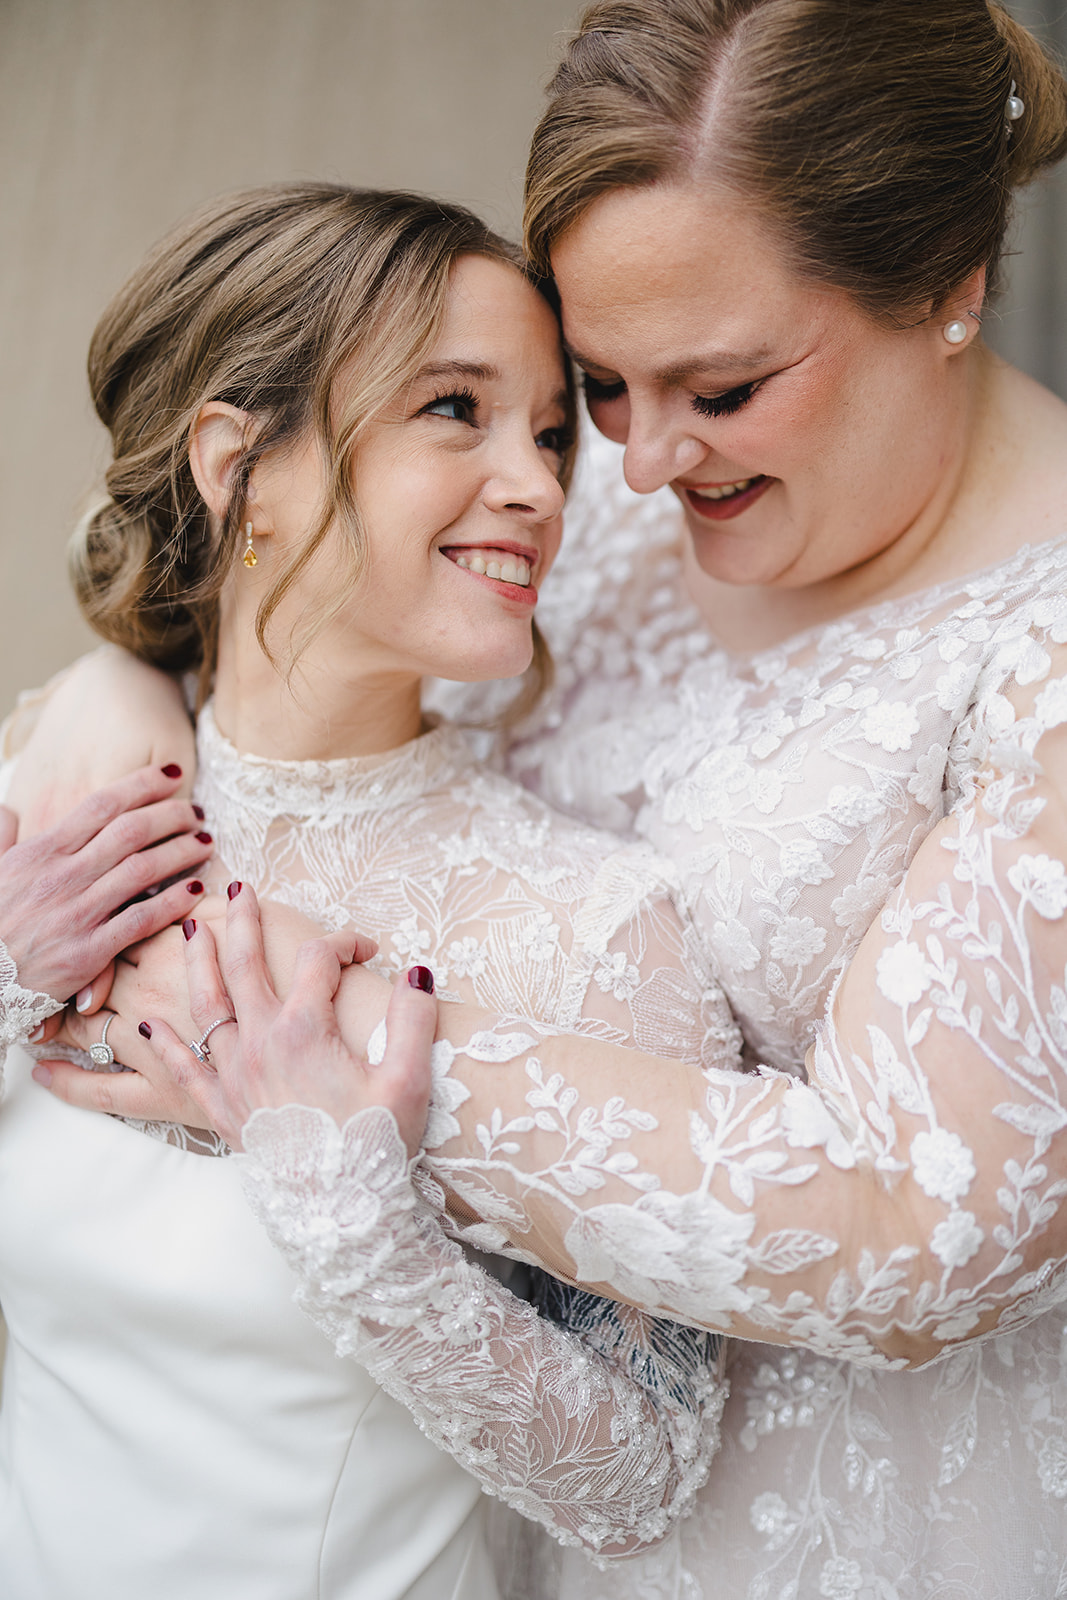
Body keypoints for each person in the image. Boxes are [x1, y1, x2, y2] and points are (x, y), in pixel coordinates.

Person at [26, 0, 1067, 1590]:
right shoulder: (605, 514)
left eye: (718, 387)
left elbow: (910, 1230)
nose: (631, 471)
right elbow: (286, 627)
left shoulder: (1036, 655)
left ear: (949, 285)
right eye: (602, 388)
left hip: (879, 1513)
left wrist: (324, 1068)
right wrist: (104, 734)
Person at [0, 182, 740, 1600]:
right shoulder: (68, 778)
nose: (532, 484)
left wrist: (355, 1220)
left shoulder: (596, 932)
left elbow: (649, 1473)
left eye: (548, 432)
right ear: (238, 466)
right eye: (453, 409)